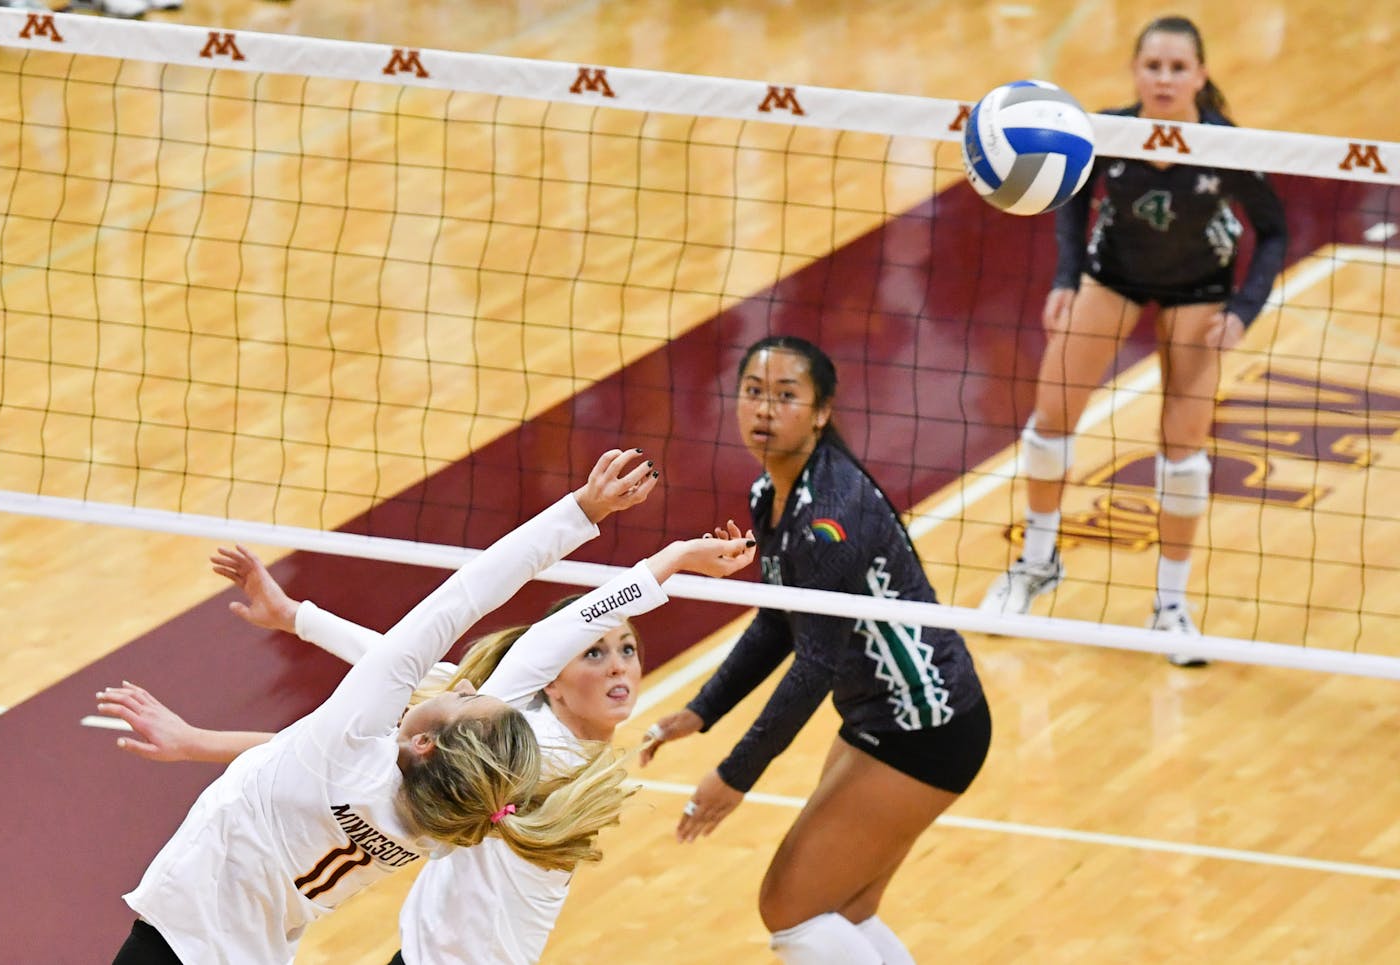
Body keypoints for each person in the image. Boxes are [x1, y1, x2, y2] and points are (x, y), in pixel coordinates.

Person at [105, 448, 757, 964]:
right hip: (259, 947)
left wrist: (583, 510)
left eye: (465, 698)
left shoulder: (346, 740)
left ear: (424, 740)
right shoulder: (450, 803)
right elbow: (532, 654)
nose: (466, 686)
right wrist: (662, 565)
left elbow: (466, 596)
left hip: (184, 933)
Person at [638, 336, 990, 964]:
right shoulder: (772, 494)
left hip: (924, 725)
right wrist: (703, 710)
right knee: (843, 911)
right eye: (753, 392)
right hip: (890, 717)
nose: (765, 410)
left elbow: (816, 663)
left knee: (789, 909)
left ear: (822, 412)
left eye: (786, 396)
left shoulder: (830, 516)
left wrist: (734, 776)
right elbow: (778, 622)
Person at [977, 15, 1288, 667]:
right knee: (1049, 423)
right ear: (1135, 71)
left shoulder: (1225, 145)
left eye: (1179, 68)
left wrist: (1243, 310)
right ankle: (1036, 563)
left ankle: (1170, 607)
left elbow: (1275, 233)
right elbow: (1070, 199)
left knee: (1182, 456)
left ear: (1201, 75)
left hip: (1199, 293)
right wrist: (1066, 277)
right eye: (1154, 66)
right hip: (1111, 276)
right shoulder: (1106, 131)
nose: (1166, 79)